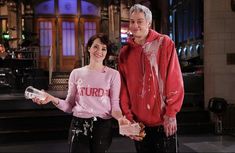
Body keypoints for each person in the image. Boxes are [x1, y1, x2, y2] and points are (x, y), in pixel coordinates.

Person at [32, 33, 129, 153]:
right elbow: (69, 106)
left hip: (102, 126)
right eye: (96, 47)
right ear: (89, 48)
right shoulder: (76, 73)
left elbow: (114, 105)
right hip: (79, 125)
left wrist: (120, 119)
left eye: (104, 48)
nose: (99, 51)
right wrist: (52, 99)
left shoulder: (113, 75)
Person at [118, 4, 184, 153]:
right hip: (139, 123)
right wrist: (128, 116)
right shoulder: (124, 53)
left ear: (149, 22)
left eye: (140, 21)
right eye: (132, 21)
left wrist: (171, 113)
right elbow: (123, 88)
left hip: (163, 120)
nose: (135, 26)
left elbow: (174, 79)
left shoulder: (164, 43)